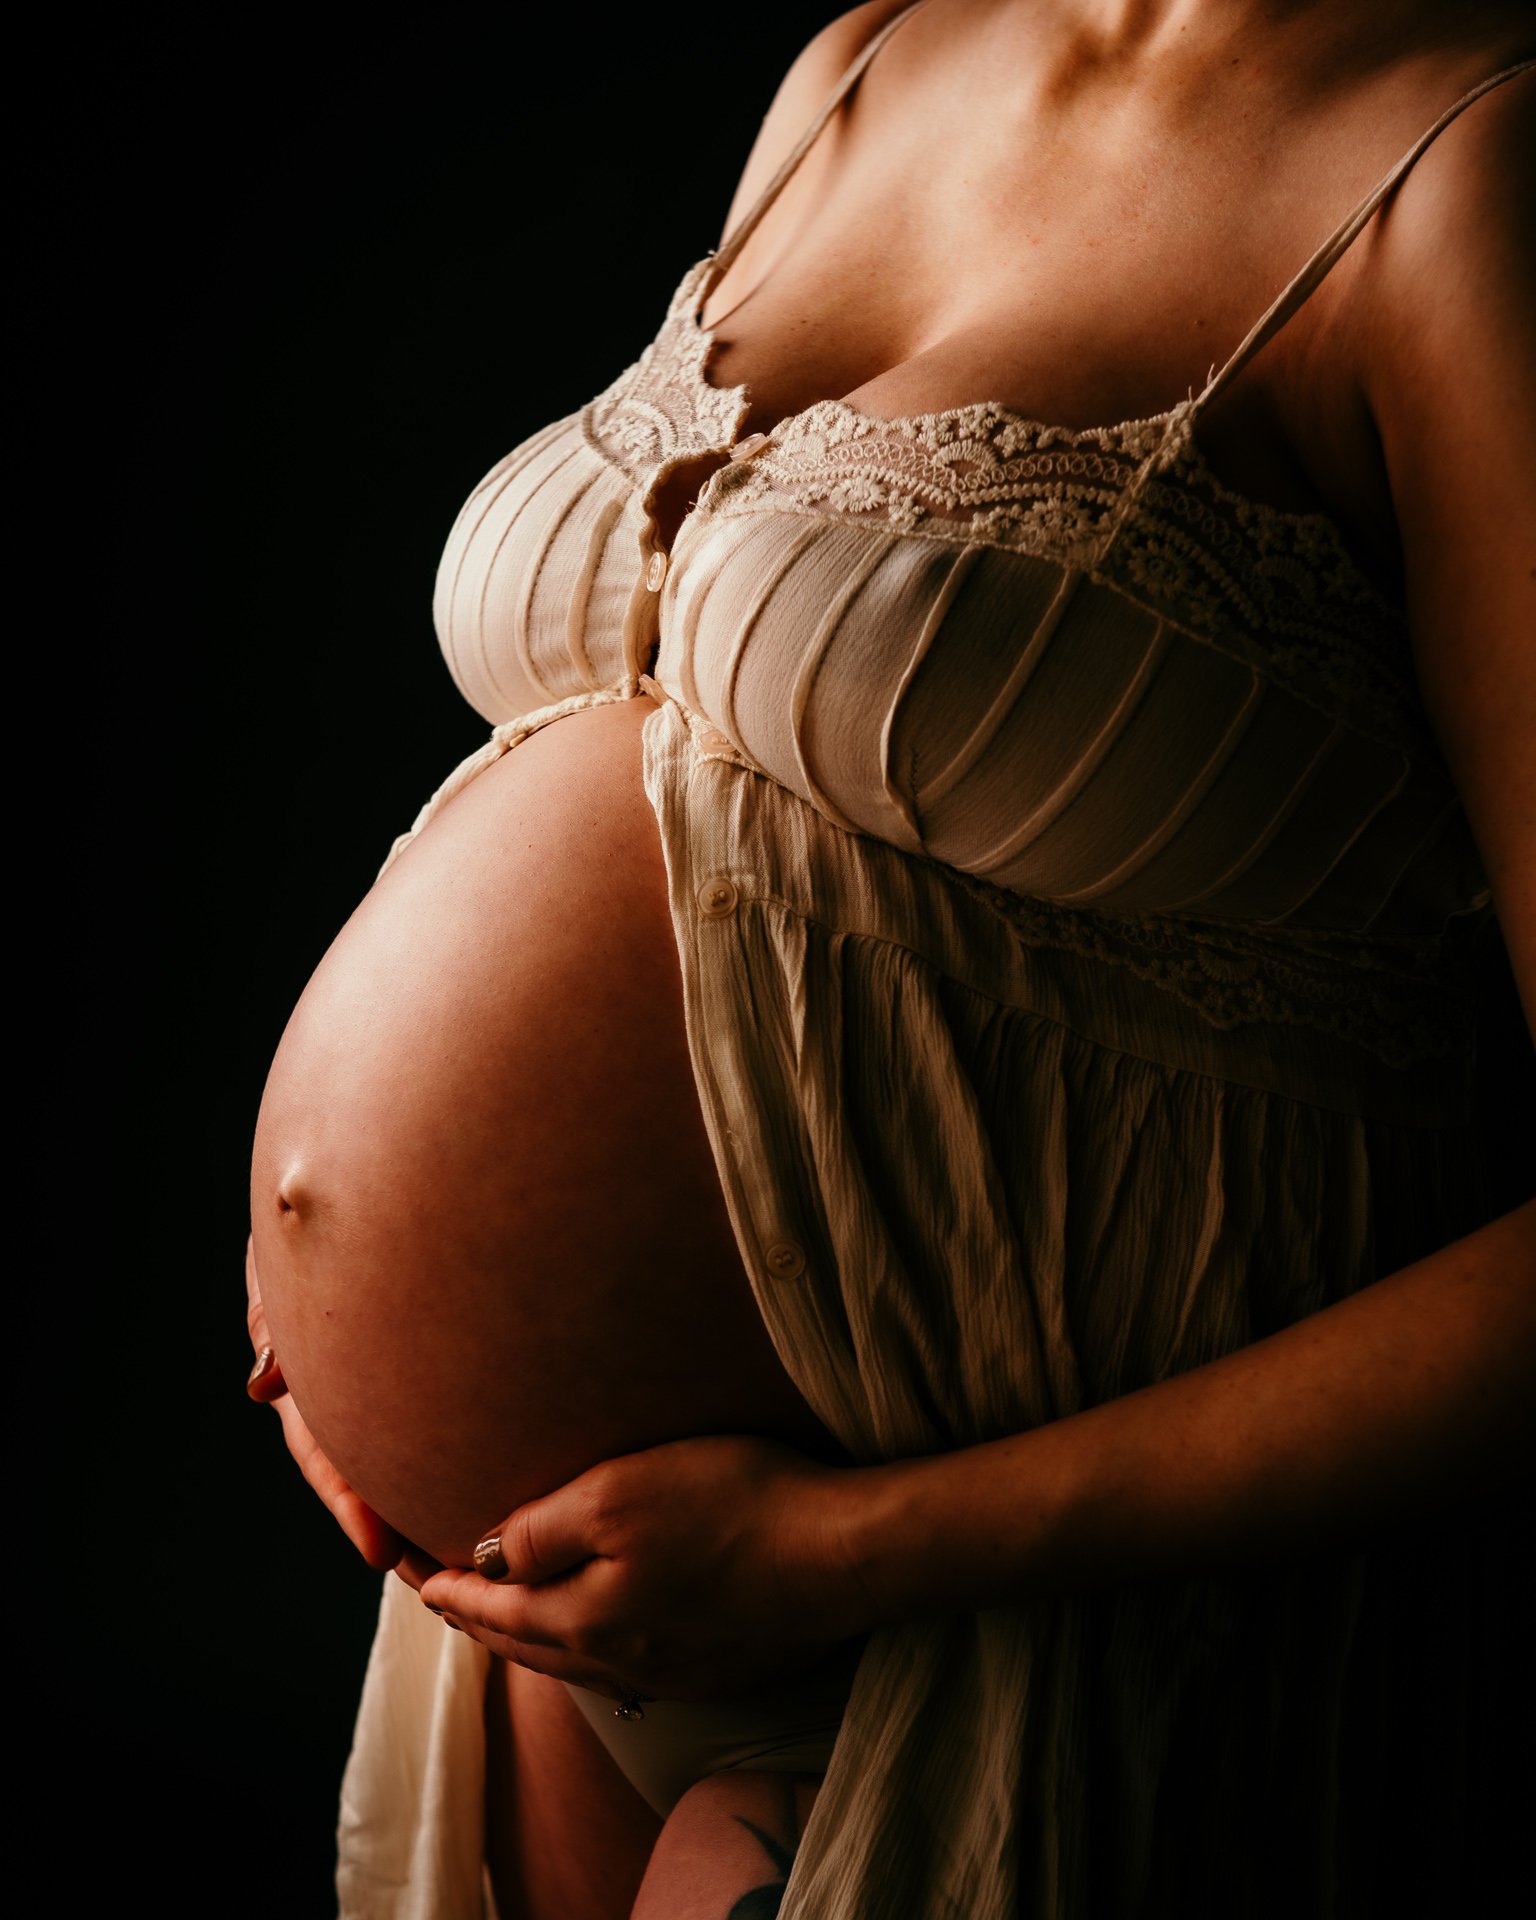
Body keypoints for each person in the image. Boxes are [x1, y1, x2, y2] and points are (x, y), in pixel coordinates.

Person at [245, 2, 1535, 1914]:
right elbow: (646, 738)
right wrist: (329, 1285)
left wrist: (859, 1549)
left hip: (995, 1607)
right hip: (541, 1607)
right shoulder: (869, 59)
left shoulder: (1469, 162)